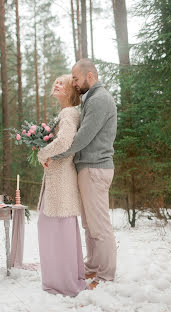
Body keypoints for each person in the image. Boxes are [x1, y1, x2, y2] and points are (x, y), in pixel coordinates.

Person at [43, 59, 117, 290]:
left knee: (99, 225)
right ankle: (93, 265)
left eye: (76, 78)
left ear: (90, 77)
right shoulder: (91, 100)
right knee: (89, 224)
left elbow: (83, 137)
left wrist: (53, 155)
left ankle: (106, 275)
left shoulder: (100, 99)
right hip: (88, 167)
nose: (74, 83)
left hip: (95, 167)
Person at [36, 74, 89, 297]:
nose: (56, 84)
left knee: (57, 229)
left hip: (61, 177)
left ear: (69, 90)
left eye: (61, 83)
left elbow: (66, 142)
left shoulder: (68, 113)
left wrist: (42, 152)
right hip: (58, 175)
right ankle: (62, 278)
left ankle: (64, 282)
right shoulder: (66, 113)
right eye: (55, 82)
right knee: (55, 229)